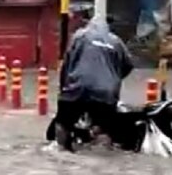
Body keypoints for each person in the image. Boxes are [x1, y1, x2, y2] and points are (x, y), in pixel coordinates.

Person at [55, 15, 134, 152]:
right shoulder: (116, 41)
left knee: (63, 122)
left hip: (77, 87)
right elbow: (128, 65)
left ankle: (61, 149)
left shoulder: (79, 36)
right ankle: (102, 150)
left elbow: (66, 64)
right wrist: (113, 80)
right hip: (105, 92)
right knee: (105, 127)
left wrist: (63, 89)